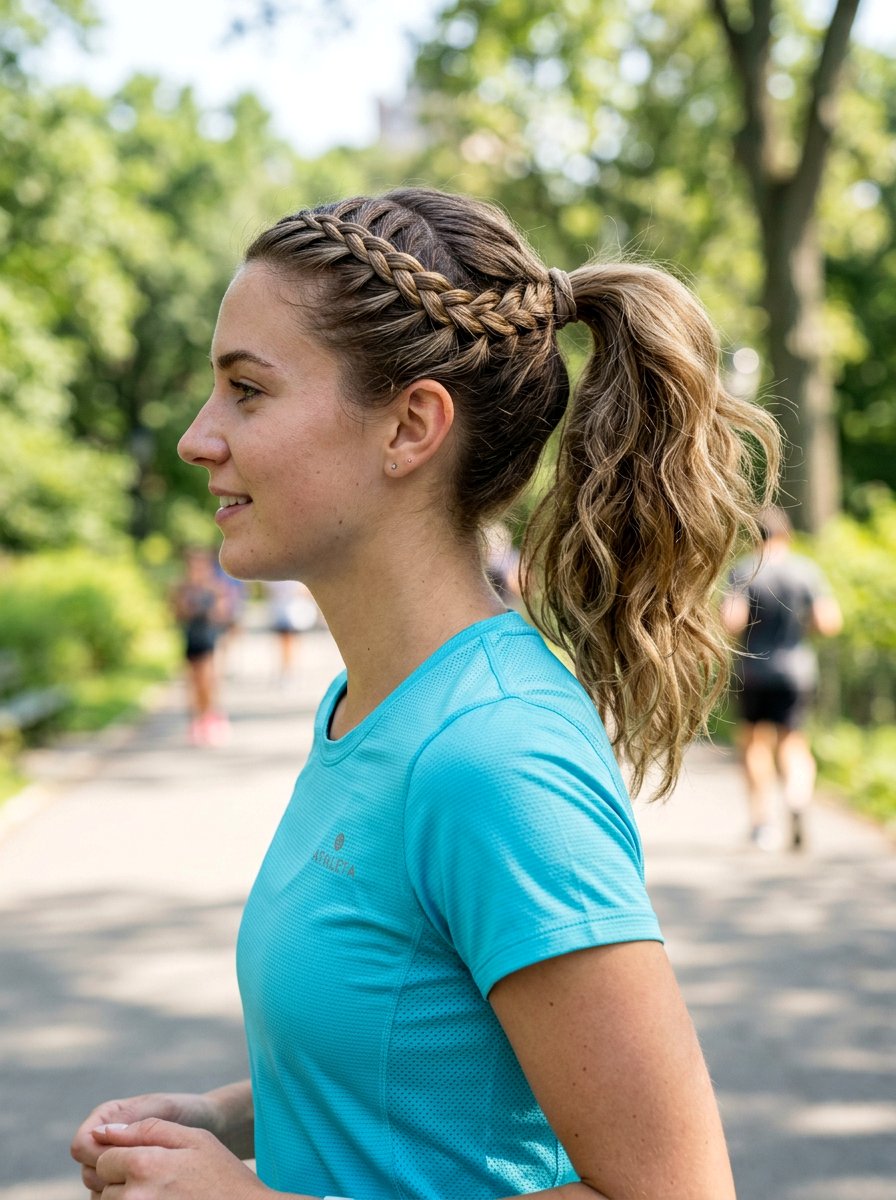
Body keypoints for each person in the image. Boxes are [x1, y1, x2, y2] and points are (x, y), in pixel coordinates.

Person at [72, 187, 779, 1200]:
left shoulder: (489, 753)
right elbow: (423, 1062)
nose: (196, 437)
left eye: (247, 391)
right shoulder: (371, 707)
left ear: (409, 427)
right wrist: (226, 1119)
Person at [721, 504, 842, 851]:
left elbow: (732, 621)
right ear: (785, 535)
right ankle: (797, 799)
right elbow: (829, 622)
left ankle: (762, 824)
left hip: (754, 671)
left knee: (755, 743)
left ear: (753, 537)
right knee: (794, 741)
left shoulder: (744, 571)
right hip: (797, 670)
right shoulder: (806, 571)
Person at [170, 547, 231, 746]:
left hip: (209, 638)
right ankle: (197, 720)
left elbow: (223, 615)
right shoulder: (182, 588)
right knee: (192, 682)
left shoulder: (215, 588)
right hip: (191, 638)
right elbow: (177, 614)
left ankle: (212, 718)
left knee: (209, 681)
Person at [263, 578, 319, 682]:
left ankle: (289, 670)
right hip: (285, 610)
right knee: (286, 642)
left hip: (292, 610)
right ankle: (287, 670)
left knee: (290, 641)